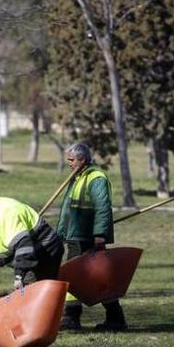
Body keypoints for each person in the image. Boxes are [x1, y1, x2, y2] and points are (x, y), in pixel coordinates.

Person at [56, 142, 127, 332]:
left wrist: (99, 235)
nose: (69, 163)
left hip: (87, 237)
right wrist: (61, 233)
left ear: (83, 159)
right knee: (79, 276)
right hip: (75, 236)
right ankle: (74, 317)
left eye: (71, 160)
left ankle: (113, 318)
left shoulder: (96, 178)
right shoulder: (77, 177)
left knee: (95, 277)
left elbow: (102, 209)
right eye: (68, 160)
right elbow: (67, 211)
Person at [0, 193, 64, 290]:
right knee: (27, 289)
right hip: (34, 251)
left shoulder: (5, 214)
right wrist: (8, 259)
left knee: (30, 288)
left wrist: (19, 275)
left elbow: (24, 246)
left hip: (47, 250)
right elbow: (17, 244)